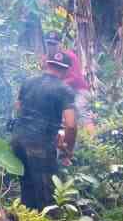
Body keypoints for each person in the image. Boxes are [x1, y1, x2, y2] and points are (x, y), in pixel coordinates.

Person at [10, 50, 78, 211]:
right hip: (39, 145)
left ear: (47, 64)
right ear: (67, 70)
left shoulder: (28, 81)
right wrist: (67, 150)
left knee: (27, 186)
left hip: (18, 140)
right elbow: (71, 125)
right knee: (46, 195)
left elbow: (18, 107)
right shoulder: (64, 90)